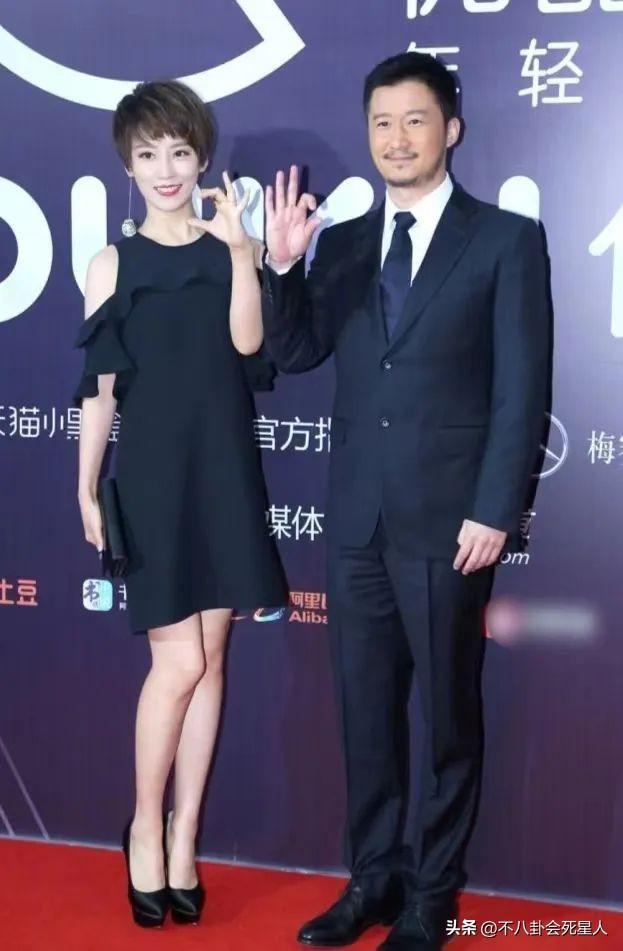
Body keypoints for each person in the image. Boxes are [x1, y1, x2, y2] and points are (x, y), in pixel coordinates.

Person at [263, 52, 549, 951]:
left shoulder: (503, 240)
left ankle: (432, 893)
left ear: (450, 129)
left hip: (449, 522)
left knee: (447, 720)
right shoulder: (346, 242)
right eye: (381, 122)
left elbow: (521, 390)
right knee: (365, 714)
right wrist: (281, 267)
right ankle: (372, 878)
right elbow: (293, 355)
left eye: (414, 120)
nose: (396, 139)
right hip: (355, 518)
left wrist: (495, 506)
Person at [75, 79, 287, 928]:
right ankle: (141, 826)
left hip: (226, 470)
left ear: (202, 158)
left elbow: (248, 343)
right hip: (155, 477)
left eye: (178, 151)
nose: (165, 169)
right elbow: (100, 387)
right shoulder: (112, 264)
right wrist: (85, 484)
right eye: (147, 154)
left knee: (213, 659)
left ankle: (184, 833)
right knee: (180, 663)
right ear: (127, 166)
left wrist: (240, 255)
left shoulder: (228, 245)